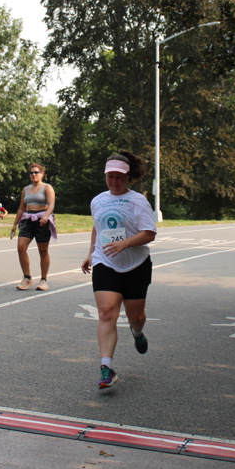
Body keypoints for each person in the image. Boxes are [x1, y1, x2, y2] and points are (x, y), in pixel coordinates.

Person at [80, 151, 156, 390]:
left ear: (128, 176)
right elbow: (98, 227)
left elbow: (149, 233)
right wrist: (91, 253)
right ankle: (106, 368)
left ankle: (137, 332)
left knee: (136, 317)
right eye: (110, 176)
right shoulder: (98, 200)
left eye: (119, 177)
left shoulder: (137, 201)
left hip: (136, 265)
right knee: (106, 312)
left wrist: (125, 243)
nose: (114, 181)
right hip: (106, 262)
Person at [10, 163, 56, 291]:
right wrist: (15, 224)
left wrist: (46, 216)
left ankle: (43, 280)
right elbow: (21, 208)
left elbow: (51, 205)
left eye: (36, 172)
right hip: (27, 219)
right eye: (31, 173)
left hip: (42, 220)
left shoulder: (47, 187)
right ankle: (27, 278)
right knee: (21, 247)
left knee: (43, 251)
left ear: (42, 174)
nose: (34, 175)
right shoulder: (26, 189)